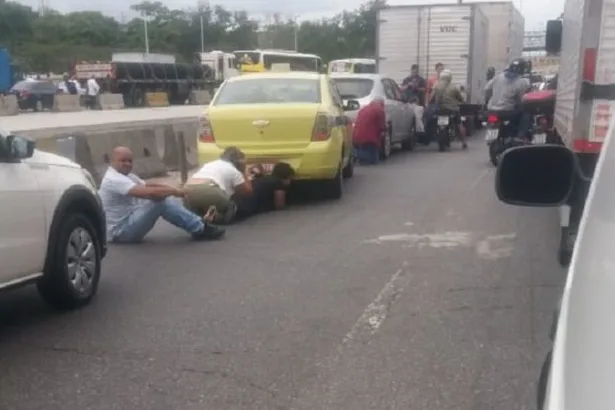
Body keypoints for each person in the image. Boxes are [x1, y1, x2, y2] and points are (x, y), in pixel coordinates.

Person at [98, 146, 225, 243]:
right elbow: (150, 193)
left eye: (130, 161)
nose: (128, 164)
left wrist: (172, 188)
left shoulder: (126, 176)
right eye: (123, 161)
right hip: (120, 231)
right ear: (112, 161)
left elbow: (148, 185)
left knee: (163, 195)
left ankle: (199, 226)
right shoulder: (113, 179)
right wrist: (176, 192)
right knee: (160, 201)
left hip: (129, 223)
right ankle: (200, 228)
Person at [183, 147, 253, 224]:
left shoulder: (209, 164)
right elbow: (248, 191)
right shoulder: (234, 171)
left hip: (187, 190)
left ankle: (201, 216)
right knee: (231, 206)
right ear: (238, 162)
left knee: (198, 208)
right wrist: (244, 172)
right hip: (208, 188)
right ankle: (215, 218)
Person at [485, 58, 532, 139]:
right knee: (526, 113)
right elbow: (521, 99)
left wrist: (490, 99)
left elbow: (487, 89)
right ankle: (520, 136)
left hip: (492, 112)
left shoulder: (498, 77)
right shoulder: (521, 81)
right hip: (507, 112)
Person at [430, 69, 468, 149]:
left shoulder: (436, 85)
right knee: (459, 124)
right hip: (452, 110)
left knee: (432, 122)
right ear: (450, 77)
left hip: (440, 110)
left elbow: (431, 98)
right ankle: (464, 142)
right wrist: (462, 101)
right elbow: (460, 99)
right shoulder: (454, 87)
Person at [352, 98, 387, 165]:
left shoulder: (363, 109)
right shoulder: (380, 110)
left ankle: (358, 158)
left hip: (357, 137)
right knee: (373, 161)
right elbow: (382, 125)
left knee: (362, 156)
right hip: (370, 139)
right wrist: (384, 131)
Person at [401, 64, 426, 133]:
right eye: (413, 71)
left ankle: (419, 131)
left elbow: (424, 90)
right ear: (411, 70)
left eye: (416, 71)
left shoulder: (421, 80)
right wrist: (408, 85)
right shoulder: (406, 79)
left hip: (417, 102)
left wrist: (417, 88)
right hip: (406, 101)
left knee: (417, 117)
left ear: (418, 71)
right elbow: (401, 89)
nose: (414, 73)